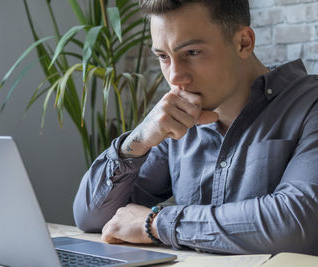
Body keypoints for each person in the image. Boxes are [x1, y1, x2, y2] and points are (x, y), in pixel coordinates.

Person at [73, 0, 318, 255]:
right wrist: (138, 140)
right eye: (163, 57)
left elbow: (295, 226)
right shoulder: (177, 125)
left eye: (191, 52)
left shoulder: (311, 105)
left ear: (243, 42)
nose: (175, 77)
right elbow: (91, 217)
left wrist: (157, 224)